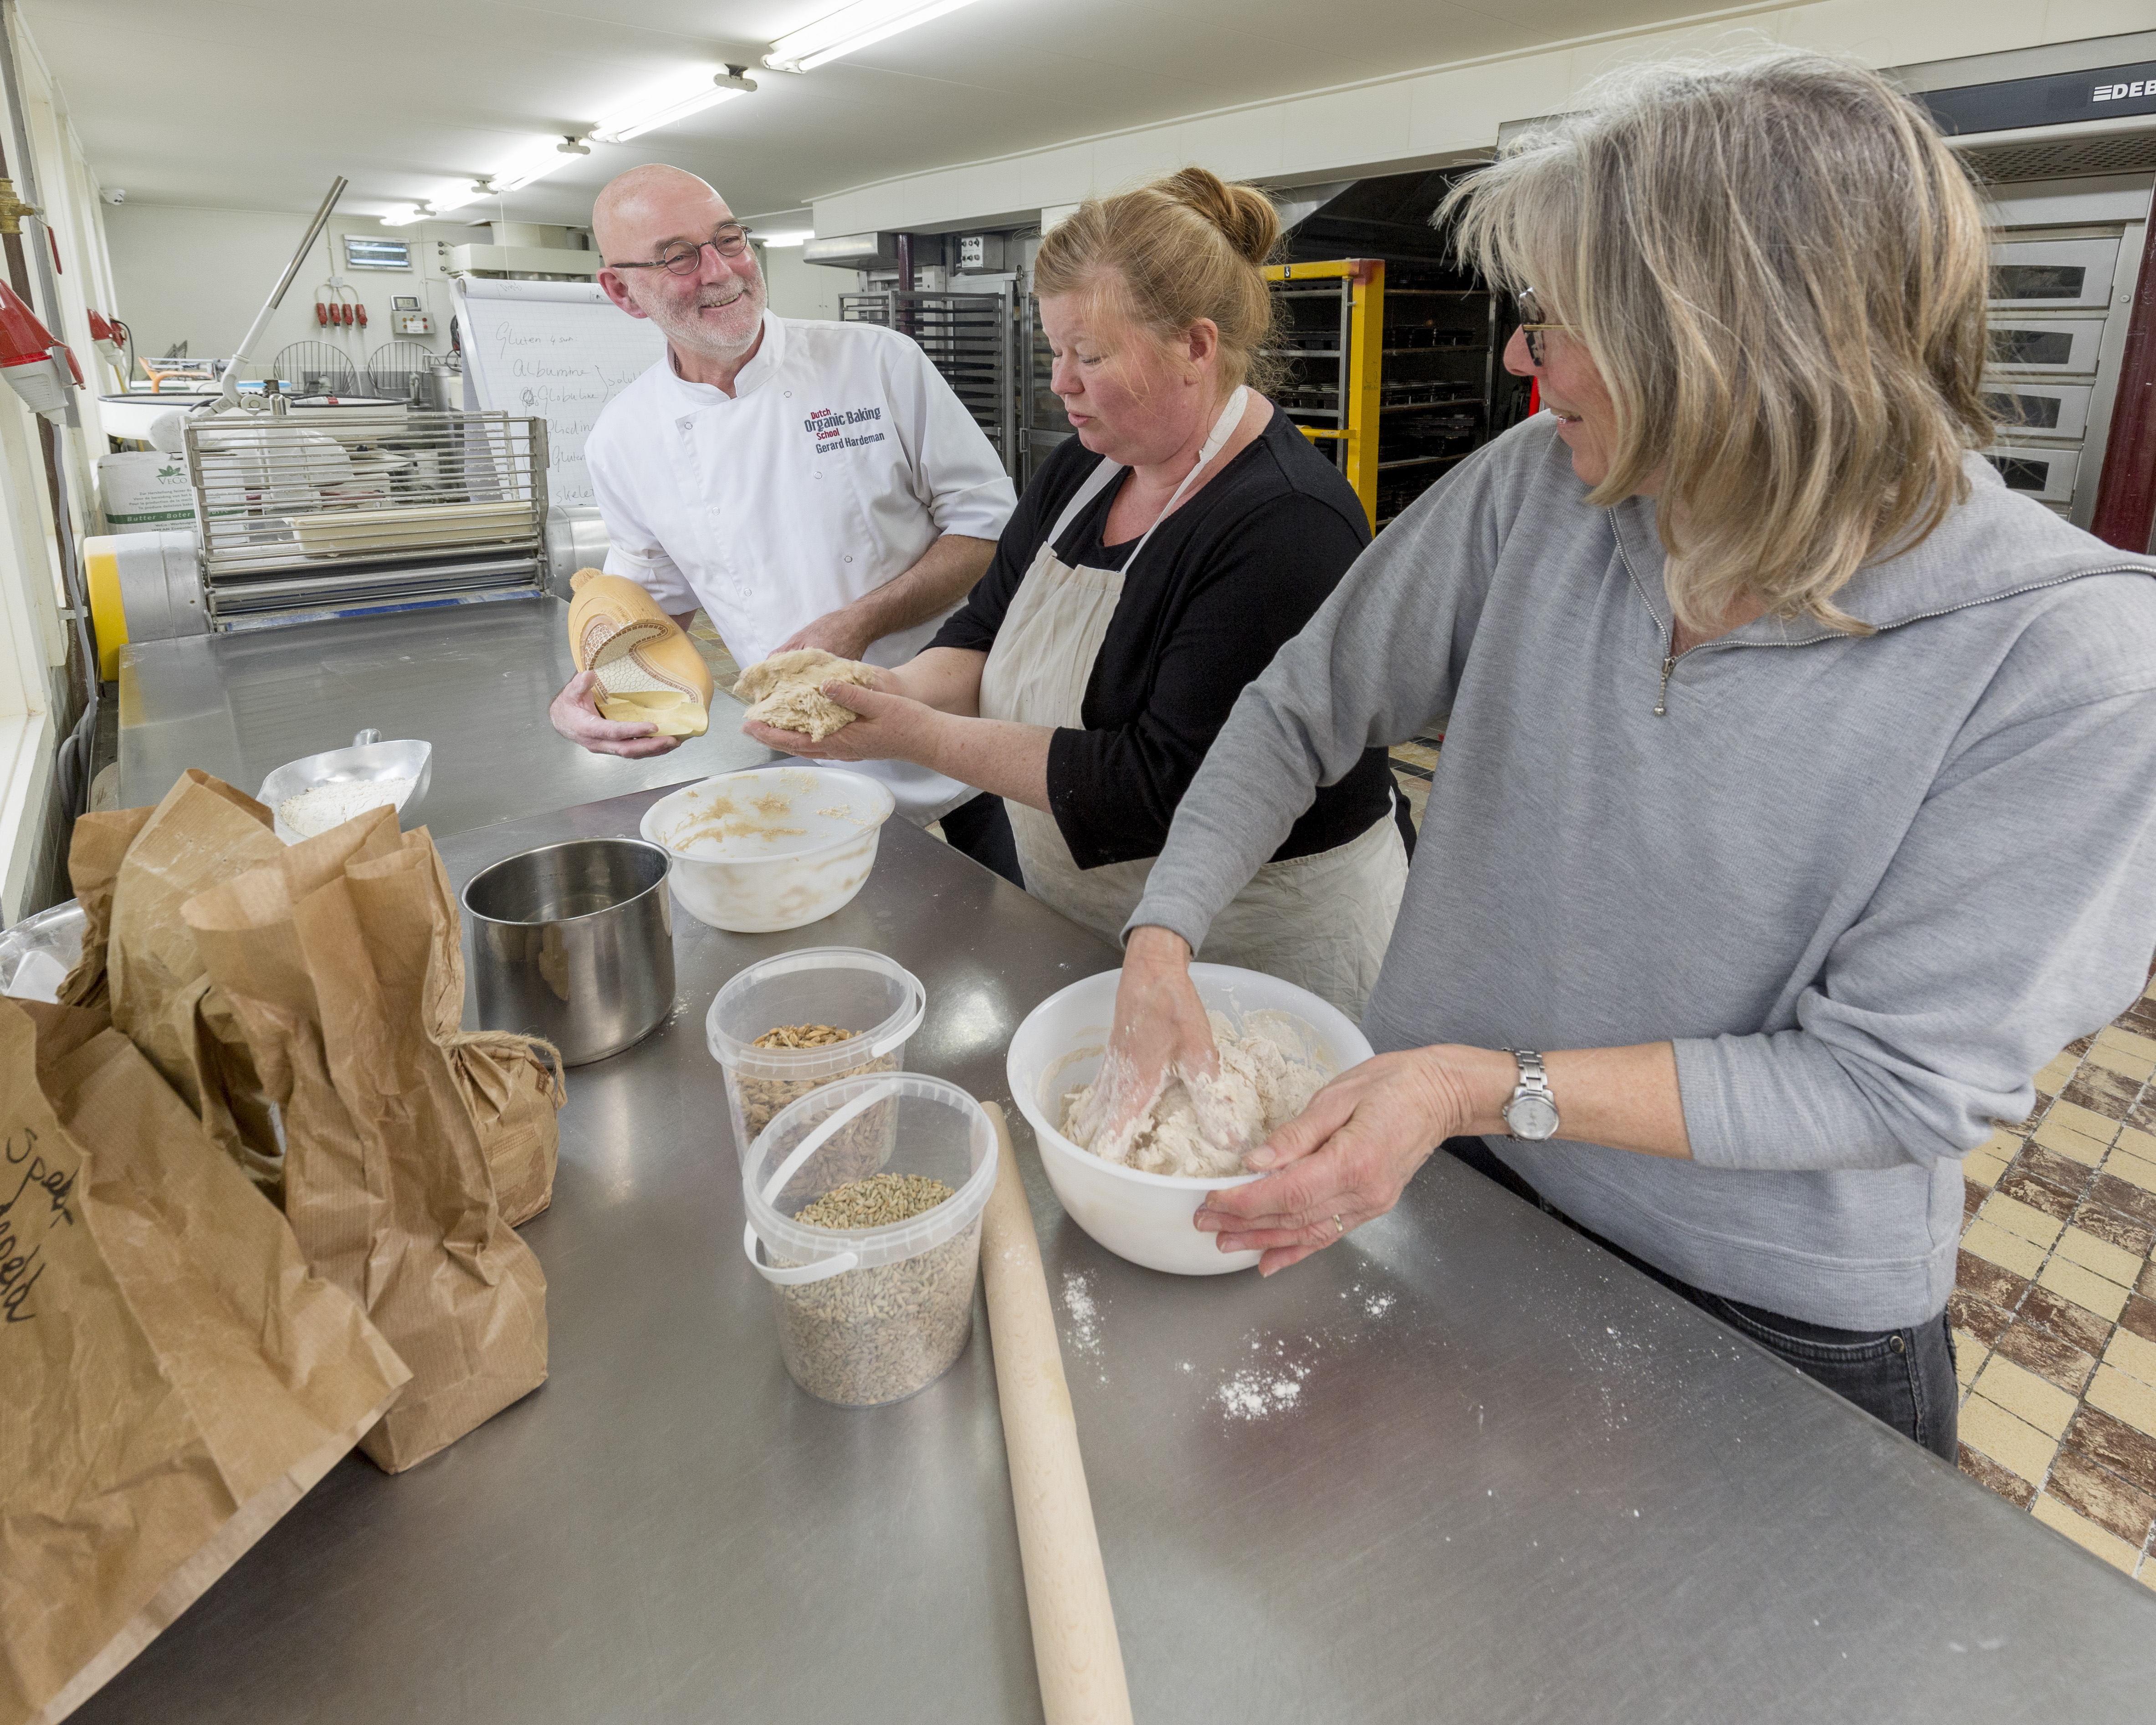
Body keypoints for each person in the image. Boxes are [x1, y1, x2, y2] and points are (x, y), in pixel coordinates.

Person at [1086, 51, 2156, 1460]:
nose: (1523, 357)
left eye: (1555, 321)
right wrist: (1162, 936)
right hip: (1455, 1191)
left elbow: (1884, 1085)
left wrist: (1471, 1081)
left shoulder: (2066, 663)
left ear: (1723, 343)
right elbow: (1301, 705)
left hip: (1760, 1311)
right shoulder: (1536, 492)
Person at [746, 168, 1409, 1019]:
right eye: (1055, 350)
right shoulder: (1083, 471)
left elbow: (1160, 786)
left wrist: (917, 735)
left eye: (1088, 356)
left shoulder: (1287, 524)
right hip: (1089, 912)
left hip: (1259, 947)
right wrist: (890, 688)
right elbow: (983, 629)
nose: (1060, 382)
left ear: (1195, 347)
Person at [549, 164, 1022, 873]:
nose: (719, 272)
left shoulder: (875, 362)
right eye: (677, 256)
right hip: (805, 747)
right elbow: (649, 610)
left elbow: (989, 530)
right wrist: (597, 692)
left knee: (1014, 935)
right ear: (620, 290)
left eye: (729, 240)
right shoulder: (623, 437)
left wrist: (856, 624)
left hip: (962, 727)